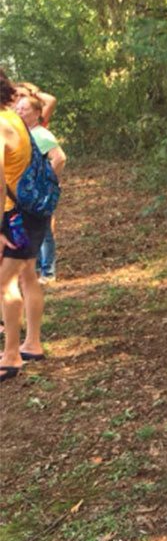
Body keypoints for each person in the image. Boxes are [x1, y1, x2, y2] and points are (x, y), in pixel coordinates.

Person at [0, 69, 48, 383]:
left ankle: (11, 355)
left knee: (4, 284)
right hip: (31, 211)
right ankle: (31, 343)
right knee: (27, 276)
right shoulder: (12, 117)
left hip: (15, 217)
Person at [15, 94, 66, 282]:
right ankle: (34, 269)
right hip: (24, 193)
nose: (19, 112)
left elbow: (59, 158)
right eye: (18, 108)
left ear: (37, 113)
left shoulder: (41, 134)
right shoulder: (23, 133)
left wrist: (45, 181)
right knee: (27, 229)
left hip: (38, 194)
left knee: (44, 231)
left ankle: (48, 272)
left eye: (24, 109)